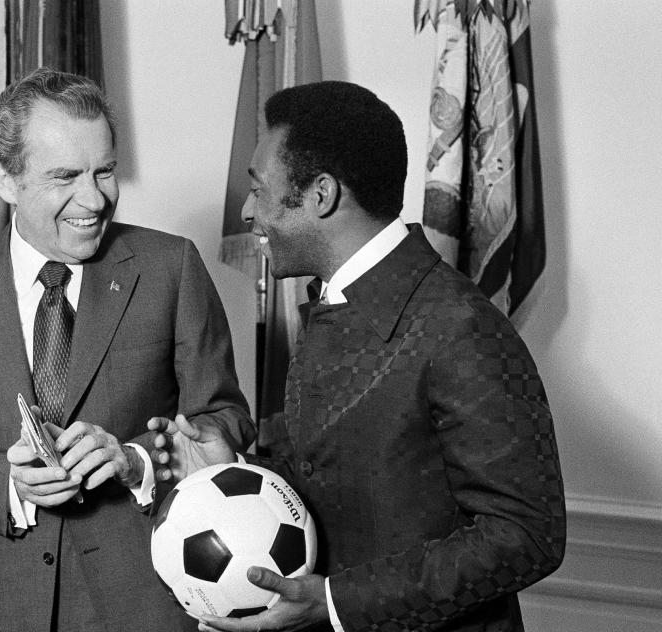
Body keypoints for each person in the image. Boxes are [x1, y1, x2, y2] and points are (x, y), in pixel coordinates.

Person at [149, 81, 566, 632]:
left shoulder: (461, 326)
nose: (248, 211)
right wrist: (237, 471)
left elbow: (528, 534)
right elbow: (345, 479)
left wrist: (340, 601)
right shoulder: (335, 302)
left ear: (321, 195)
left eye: (259, 188)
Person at [0, 68, 255, 632]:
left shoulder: (171, 267)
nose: (93, 198)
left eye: (105, 171)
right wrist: (7, 485)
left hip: (141, 601)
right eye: (64, 176)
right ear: (5, 180)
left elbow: (226, 420)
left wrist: (137, 460)